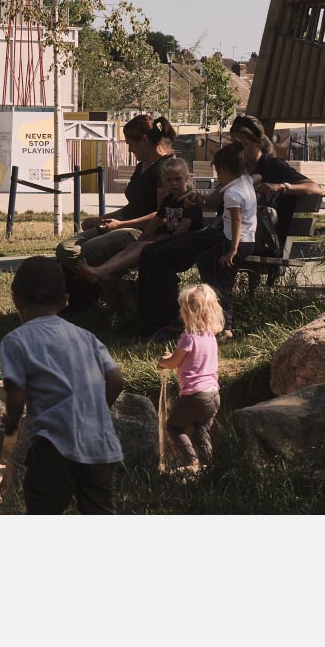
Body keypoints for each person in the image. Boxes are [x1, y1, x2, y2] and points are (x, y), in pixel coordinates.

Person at [0, 256, 125, 514]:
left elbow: (16, 392)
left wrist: (11, 423)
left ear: (15, 299)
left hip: (54, 445)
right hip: (100, 445)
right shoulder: (86, 337)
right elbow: (116, 380)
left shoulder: (15, 340)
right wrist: (96, 410)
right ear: (65, 300)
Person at [137, 143, 255, 341]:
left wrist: (233, 248)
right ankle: (147, 318)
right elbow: (210, 202)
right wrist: (197, 197)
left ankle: (169, 323)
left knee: (158, 255)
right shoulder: (243, 181)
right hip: (214, 233)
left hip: (221, 238)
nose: (217, 176)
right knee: (149, 252)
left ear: (224, 170)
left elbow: (236, 220)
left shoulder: (233, 190)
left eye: (217, 171)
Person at [56, 114, 177, 281]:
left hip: (143, 232)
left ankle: (109, 282)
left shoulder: (167, 168)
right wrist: (101, 219)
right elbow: (133, 206)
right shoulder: (142, 165)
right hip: (123, 225)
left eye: (130, 144)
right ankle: (107, 280)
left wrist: (121, 224)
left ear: (144, 140)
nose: (129, 150)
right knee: (65, 248)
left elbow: (162, 215)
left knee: (90, 249)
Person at [77, 156, 203, 291]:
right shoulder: (168, 200)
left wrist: (158, 242)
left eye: (178, 179)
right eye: (169, 180)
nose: (174, 183)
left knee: (144, 249)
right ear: (163, 183)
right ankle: (102, 270)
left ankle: (105, 271)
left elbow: (182, 231)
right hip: (168, 241)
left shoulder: (190, 202)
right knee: (133, 247)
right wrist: (140, 240)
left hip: (184, 246)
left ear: (186, 178)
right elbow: (154, 223)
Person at [222, 114, 322, 246]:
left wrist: (281, 187)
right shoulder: (237, 168)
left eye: (243, 144)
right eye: (235, 144)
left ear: (257, 142)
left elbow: (315, 188)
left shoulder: (274, 166)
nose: (238, 149)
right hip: (232, 235)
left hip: (261, 240)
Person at [156, 283, 223, 471]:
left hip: (195, 395)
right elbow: (193, 359)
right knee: (201, 430)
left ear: (187, 312)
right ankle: (208, 466)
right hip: (213, 394)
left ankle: (192, 462)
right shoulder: (210, 337)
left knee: (174, 427)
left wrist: (163, 361)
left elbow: (173, 363)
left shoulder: (188, 337)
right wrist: (174, 359)